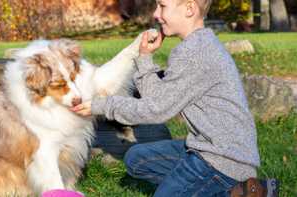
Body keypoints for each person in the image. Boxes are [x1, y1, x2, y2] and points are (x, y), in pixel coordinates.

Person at [71, 0, 262, 196]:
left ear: (189, 8)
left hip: (222, 162)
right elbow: (156, 100)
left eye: (162, 6)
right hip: (209, 149)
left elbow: (154, 110)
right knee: (137, 159)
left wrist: (100, 105)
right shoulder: (199, 44)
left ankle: (236, 191)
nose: (155, 13)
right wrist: (145, 57)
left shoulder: (193, 53)